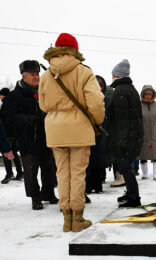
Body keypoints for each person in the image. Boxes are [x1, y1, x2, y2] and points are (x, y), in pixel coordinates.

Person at [39, 33, 105, 231]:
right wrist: (96, 120)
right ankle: (77, 218)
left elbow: (43, 105)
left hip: (54, 128)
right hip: (79, 128)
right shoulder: (84, 72)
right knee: (78, 173)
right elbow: (95, 102)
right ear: (74, 50)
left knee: (62, 172)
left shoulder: (46, 75)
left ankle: (66, 219)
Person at [5, 60, 59, 210]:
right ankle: (35, 197)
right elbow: (8, 118)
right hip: (27, 139)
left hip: (46, 138)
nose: (36, 77)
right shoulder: (15, 95)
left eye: (37, 74)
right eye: (32, 74)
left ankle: (48, 193)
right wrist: (28, 120)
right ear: (24, 76)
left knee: (49, 169)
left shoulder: (44, 92)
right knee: (30, 171)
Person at [106, 59, 144, 207]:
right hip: (133, 137)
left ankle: (134, 198)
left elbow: (122, 121)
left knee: (125, 168)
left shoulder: (121, 91)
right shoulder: (130, 89)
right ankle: (131, 193)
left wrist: (121, 142)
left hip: (126, 139)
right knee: (127, 168)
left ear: (116, 75)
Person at [85, 75, 111, 194]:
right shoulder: (86, 99)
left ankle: (98, 184)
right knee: (88, 161)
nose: (99, 88)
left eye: (101, 85)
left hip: (102, 134)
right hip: (89, 133)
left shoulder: (106, 100)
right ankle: (89, 186)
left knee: (99, 161)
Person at [138, 85, 156, 181]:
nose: (148, 96)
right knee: (143, 156)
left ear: (153, 94)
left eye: (149, 94)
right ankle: (145, 173)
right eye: (145, 94)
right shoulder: (139, 105)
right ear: (142, 95)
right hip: (143, 135)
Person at [0, 87, 24, 183]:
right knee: (14, 152)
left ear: (3, 95)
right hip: (15, 133)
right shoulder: (14, 103)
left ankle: (9, 173)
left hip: (8, 134)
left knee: (6, 153)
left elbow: (5, 120)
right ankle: (20, 173)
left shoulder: (5, 104)